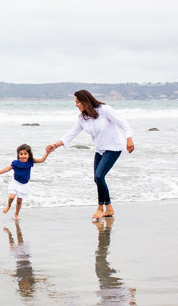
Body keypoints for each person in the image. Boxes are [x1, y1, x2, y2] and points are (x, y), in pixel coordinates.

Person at [46, 90, 134, 220]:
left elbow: (123, 123)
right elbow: (71, 133)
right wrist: (55, 145)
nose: (76, 105)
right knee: (97, 178)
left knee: (99, 176)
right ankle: (109, 207)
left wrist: (129, 139)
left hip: (114, 147)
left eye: (77, 102)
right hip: (100, 149)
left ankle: (100, 207)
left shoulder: (104, 110)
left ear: (85, 100)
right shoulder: (83, 118)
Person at [0, 144, 48, 220]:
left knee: (19, 202)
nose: (23, 156)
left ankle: (16, 214)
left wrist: (47, 153)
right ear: (18, 155)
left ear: (29, 155)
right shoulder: (16, 163)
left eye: (25, 154)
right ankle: (9, 205)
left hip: (24, 185)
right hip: (15, 183)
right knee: (11, 197)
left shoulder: (30, 162)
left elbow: (42, 160)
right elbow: (6, 169)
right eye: (21, 154)